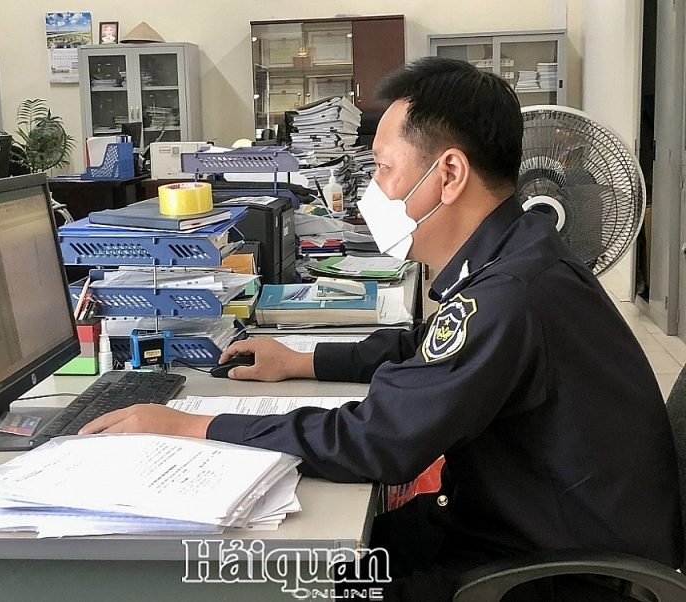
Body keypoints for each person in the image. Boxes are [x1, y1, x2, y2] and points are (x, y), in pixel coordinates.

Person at [80, 58, 684, 601]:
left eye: (386, 168)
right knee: (308, 557)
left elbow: (379, 440)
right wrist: (303, 361)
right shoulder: (515, 255)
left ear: (449, 175)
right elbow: (427, 349)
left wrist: (196, 426)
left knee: (283, 577)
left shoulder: (510, 295)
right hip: (523, 525)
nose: (377, 191)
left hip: (557, 574)